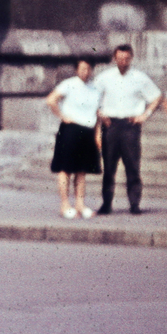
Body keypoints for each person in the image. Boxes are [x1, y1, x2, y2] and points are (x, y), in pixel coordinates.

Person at [94, 43, 161, 215]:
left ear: (131, 58)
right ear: (114, 58)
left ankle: (134, 203)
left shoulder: (140, 78)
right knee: (109, 167)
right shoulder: (104, 77)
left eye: (126, 58)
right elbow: (91, 97)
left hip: (130, 125)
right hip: (111, 125)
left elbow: (156, 97)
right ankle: (106, 203)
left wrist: (144, 115)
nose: (123, 61)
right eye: (120, 58)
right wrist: (100, 114)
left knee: (132, 166)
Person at [45, 59, 103, 219]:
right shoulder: (69, 84)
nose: (85, 72)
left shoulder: (95, 88)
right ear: (77, 69)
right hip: (70, 130)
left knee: (82, 170)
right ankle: (65, 205)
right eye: (82, 68)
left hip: (88, 130)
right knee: (65, 169)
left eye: (88, 68)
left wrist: (98, 133)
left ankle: (80, 204)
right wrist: (63, 116)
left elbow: (97, 113)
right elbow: (51, 100)